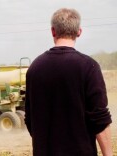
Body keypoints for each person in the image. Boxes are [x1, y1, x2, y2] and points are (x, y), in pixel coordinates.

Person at [24, 8, 112, 156]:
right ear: (79, 32)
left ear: (53, 31)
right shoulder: (88, 66)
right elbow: (100, 119)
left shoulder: (34, 68)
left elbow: (30, 119)